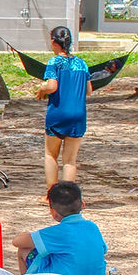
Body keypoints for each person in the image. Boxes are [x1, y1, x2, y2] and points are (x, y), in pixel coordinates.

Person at [11, 181, 107, 275]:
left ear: (53, 212)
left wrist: (28, 234)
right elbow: (103, 249)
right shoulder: (92, 226)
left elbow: (17, 242)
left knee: (24, 250)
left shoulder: (58, 232)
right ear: (83, 204)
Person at [36, 26, 93, 197]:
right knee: (70, 160)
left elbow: (52, 86)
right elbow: (89, 90)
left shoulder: (54, 62)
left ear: (54, 42)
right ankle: (67, 197)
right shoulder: (82, 63)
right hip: (78, 115)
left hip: (58, 113)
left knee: (51, 155)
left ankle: (51, 196)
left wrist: (42, 88)